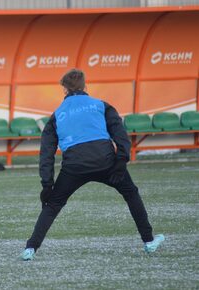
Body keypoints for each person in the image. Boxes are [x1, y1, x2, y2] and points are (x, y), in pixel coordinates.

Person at [21, 68, 164, 260]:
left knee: (52, 205)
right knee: (131, 193)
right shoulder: (100, 105)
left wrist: (47, 184)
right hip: (106, 162)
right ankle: (148, 241)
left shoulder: (57, 115)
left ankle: (30, 249)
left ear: (64, 89)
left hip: (74, 167)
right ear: (85, 85)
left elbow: (46, 153)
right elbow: (120, 135)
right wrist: (121, 161)